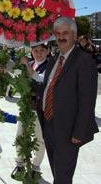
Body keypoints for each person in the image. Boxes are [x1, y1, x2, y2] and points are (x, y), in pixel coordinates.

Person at [39, 17, 98, 184]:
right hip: (49, 124)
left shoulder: (84, 61)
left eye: (65, 33)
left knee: (63, 176)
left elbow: (87, 101)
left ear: (74, 35)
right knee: (57, 171)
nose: (61, 37)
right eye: (57, 33)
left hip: (68, 129)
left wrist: (78, 133)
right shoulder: (54, 59)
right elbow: (49, 87)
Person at [11, 43, 49, 181]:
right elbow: (16, 78)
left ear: (47, 51)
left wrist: (26, 66)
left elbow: (41, 81)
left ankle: (35, 167)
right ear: (31, 51)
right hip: (25, 107)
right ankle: (20, 164)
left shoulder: (50, 66)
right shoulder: (29, 63)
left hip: (39, 109)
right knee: (20, 136)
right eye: (35, 50)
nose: (38, 53)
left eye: (41, 50)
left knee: (39, 139)